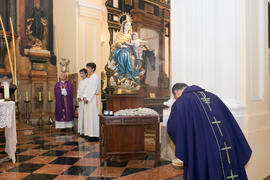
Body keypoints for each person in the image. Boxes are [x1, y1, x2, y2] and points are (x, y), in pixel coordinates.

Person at [167, 83, 252, 180]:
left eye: (175, 97)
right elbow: (230, 121)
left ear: (176, 92)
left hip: (203, 151)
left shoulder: (181, 102)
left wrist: (188, 146)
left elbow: (172, 128)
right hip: (227, 145)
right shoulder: (213, 97)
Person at [83, 62, 100, 141]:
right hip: (89, 100)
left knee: (93, 117)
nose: (87, 69)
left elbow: (93, 89)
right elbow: (87, 89)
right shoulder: (90, 77)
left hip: (93, 100)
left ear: (92, 69)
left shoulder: (95, 77)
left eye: (88, 68)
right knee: (89, 117)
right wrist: (84, 97)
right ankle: (90, 134)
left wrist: (88, 98)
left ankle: (95, 135)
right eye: (86, 68)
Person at [77, 68, 88, 136]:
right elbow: (78, 90)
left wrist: (82, 97)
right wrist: (78, 97)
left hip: (85, 100)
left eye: (82, 73)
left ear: (86, 74)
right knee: (80, 115)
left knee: (85, 115)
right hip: (80, 101)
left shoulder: (88, 81)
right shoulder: (81, 82)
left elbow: (87, 90)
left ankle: (85, 131)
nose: (81, 75)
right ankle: (80, 130)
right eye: (80, 73)